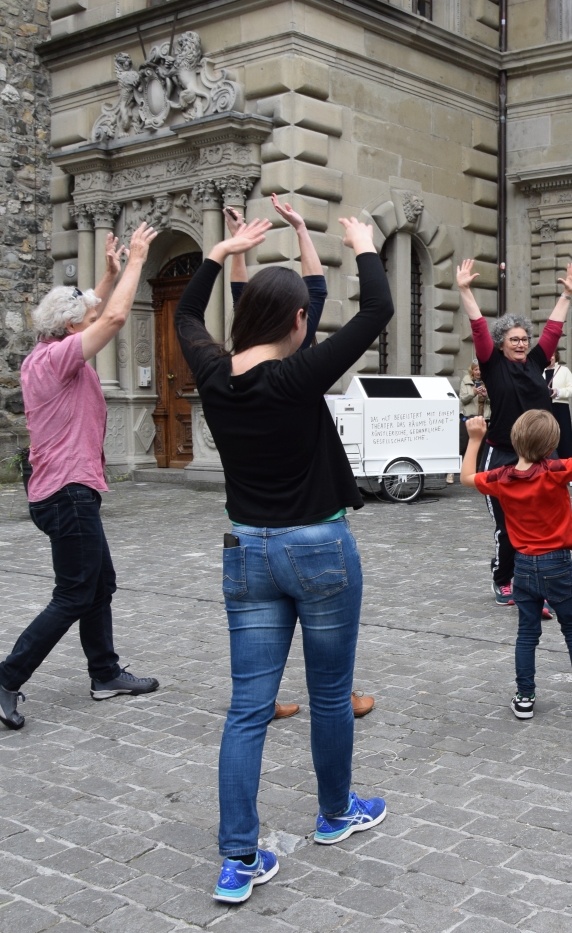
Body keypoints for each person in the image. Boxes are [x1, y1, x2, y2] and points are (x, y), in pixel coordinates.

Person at [176, 215, 392, 904]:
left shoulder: (213, 373)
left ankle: (238, 859)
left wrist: (219, 252)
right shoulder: (299, 377)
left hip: (247, 549)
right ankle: (335, 814)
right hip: (317, 547)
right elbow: (380, 310)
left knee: (248, 708)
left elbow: (185, 311)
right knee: (330, 692)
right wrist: (362, 243)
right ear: (299, 320)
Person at [0, 225, 161, 731]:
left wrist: (108, 271)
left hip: (65, 490)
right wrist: (139, 261)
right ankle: (5, 680)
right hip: (67, 494)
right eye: (88, 321)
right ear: (71, 329)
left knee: (99, 582)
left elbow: (98, 307)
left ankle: (105, 674)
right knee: (76, 592)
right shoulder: (59, 360)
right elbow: (118, 314)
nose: (96, 322)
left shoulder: (47, 350)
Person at [223, 202, 374, 722]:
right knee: (324, 611)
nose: (309, 313)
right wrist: (359, 243)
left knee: (277, 620)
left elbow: (308, 291)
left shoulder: (235, 368)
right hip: (311, 526)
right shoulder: (301, 364)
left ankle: (291, 696)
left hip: (250, 530)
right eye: (303, 314)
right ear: (296, 323)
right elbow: (250, 301)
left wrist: (296, 232)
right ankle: (337, 695)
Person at [460, 394, 572, 719]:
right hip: (557, 563)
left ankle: (525, 697)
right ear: (550, 445)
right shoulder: (555, 470)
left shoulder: (502, 477)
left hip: (523, 566)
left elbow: (466, 479)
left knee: (527, 633)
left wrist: (475, 440)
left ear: (515, 441)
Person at [459, 259, 572, 606]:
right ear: (502, 343)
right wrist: (465, 290)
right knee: (506, 525)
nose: (522, 343)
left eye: (525, 338)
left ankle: (539, 578)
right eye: (514, 339)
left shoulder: (536, 362)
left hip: (542, 454)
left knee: (544, 520)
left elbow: (554, 328)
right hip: (503, 453)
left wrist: (567, 294)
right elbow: (479, 328)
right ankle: (504, 577)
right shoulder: (493, 366)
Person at [545, 349, 572, 486]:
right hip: (543, 408)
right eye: (548, 355)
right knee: (545, 440)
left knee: (564, 439)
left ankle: (571, 475)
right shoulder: (538, 370)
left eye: (552, 355)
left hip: (560, 408)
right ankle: (549, 473)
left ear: (556, 356)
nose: (550, 357)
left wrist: (558, 392)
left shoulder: (564, 370)